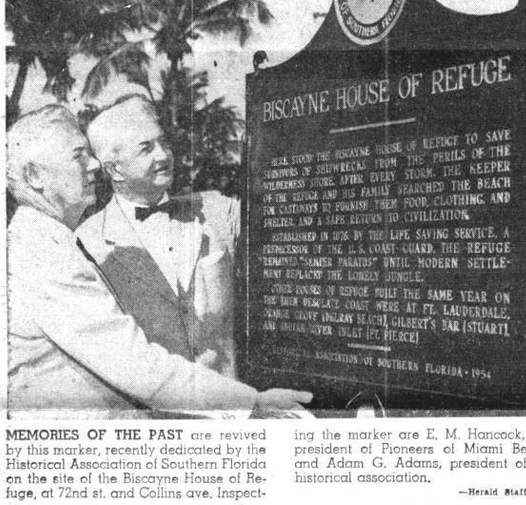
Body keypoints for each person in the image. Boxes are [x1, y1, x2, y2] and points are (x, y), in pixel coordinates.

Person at [7, 105, 312, 418]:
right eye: (77, 156)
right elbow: (131, 361)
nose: (94, 164)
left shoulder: (44, 242)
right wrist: (251, 403)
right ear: (34, 176)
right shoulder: (46, 254)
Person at [77, 96, 239, 377]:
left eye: (163, 142)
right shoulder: (87, 242)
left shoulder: (218, 209)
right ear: (115, 169)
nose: (163, 155)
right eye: (146, 149)